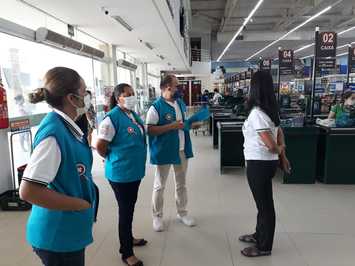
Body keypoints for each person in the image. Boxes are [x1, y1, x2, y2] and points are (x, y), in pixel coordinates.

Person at [19, 67, 97, 266]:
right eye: (84, 92)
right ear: (72, 98)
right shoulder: (53, 135)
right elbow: (28, 191)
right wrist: (80, 205)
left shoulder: (68, 127)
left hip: (68, 228)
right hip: (57, 235)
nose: (88, 97)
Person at [240, 71, 290, 257]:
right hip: (265, 163)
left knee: (265, 206)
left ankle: (264, 246)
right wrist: (282, 156)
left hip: (258, 163)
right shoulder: (269, 110)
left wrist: (280, 149)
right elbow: (279, 131)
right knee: (262, 204)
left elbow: (271, 144)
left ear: (255, 88)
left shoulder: (257, 114)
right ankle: (258, 234)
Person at [95, 83, 147, 266]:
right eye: (128, 94)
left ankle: (129, 237)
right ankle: (126, 252)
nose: (132, 96)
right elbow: (100, 146)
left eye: (133, 94)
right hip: (121, 174)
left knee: (130, 208)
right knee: (125, 211)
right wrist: (112, 158)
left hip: (133, 172)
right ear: (118, 98)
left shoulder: (131, 114)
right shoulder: (111, 119)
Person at [146, 74, 196, 232]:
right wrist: (171, 127)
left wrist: (190, 125)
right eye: (176, 86)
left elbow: (181, 125)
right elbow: (150, 130)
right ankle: (157, 216)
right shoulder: (156, 107)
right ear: (167, 87)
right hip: (164, 151)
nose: (178, 89)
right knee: (160, 185)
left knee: (181, 184)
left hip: (181, 149)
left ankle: (182, 213)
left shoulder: (180, 103)